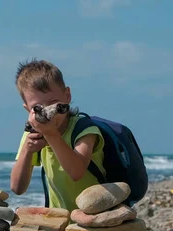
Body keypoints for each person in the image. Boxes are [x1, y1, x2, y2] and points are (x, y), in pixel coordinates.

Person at [10, 58, 106, 213]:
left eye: (53, 102)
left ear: (67, 95)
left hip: (95, 219)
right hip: (60, 221)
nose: (47, 111)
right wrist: (27, 150)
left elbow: (76, 172)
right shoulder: (33, 134)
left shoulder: (84, 130)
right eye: (37, 107)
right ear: (28, 109)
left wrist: (51, 135)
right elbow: (17, 188)